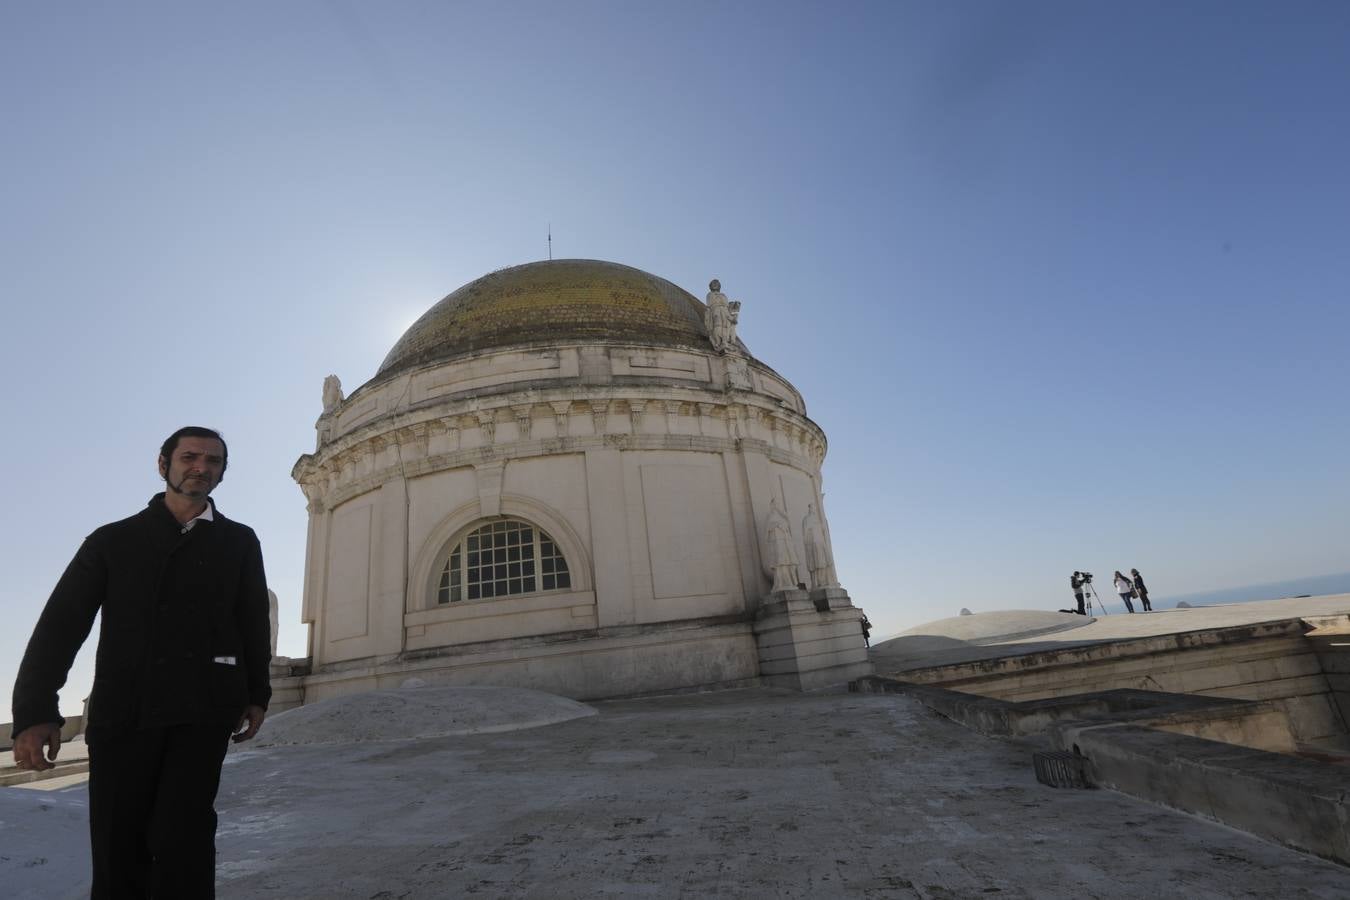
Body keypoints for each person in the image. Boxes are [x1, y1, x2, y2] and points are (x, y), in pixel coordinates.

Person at [11, 426, 272, 898]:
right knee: (118, 843)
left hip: (203, 712)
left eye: (212, 461)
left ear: (222, 472)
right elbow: (61, 625)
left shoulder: (239, 541)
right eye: (190, 457)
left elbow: (251, 622)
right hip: (125, 713)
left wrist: (257, 694)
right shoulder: (112, 541)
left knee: (186, 840)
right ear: (163, 465)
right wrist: (35, 712)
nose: (201, 467)